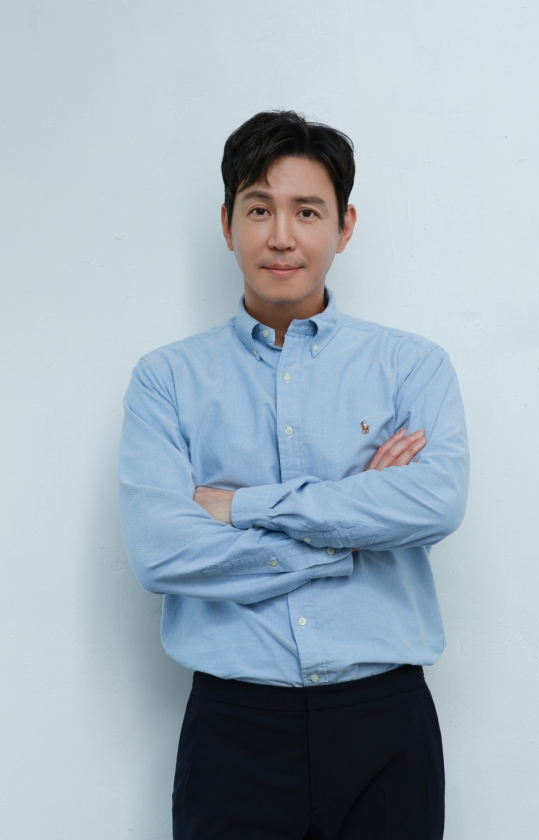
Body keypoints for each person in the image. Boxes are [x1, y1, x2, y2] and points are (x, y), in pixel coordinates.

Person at [118, 110, 469, 839]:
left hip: (385, 723)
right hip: (233, 731)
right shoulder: (166, 380)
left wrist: (243, 507)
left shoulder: (411, 366)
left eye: (307, 211)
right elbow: (161, 551)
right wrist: (352, 526)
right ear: (227, 224)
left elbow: (435, 501)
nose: (282, 235)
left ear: (344, 227)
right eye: (259, 210)